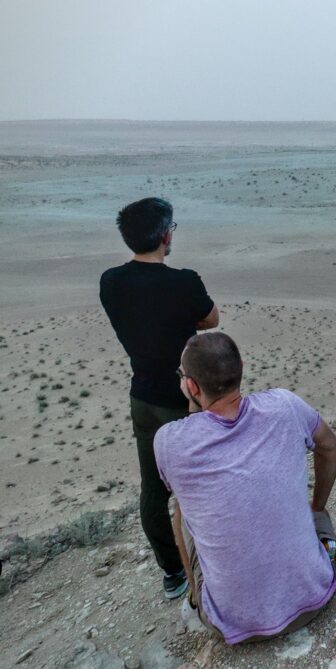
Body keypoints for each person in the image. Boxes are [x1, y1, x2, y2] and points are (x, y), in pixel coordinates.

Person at [155, 333, 336, 644]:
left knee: (181, 512)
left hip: (231, 622)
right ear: (241, 367)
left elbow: (192, 455)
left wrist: (192, 400)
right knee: (317, 518)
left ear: (191, 386)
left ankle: (195, 594)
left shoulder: (170, 442)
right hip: (315, 598)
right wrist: (317, 506)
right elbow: (330, 446)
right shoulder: (284, 405)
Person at [99, 197, 219, 599]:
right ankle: (212, 561)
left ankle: (172, 573)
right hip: (184, 399)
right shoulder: (183, 281)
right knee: (199, 483)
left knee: (153, 486)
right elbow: (211, 319)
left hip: (142, 395)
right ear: (166, 235)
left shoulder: (111, 281)